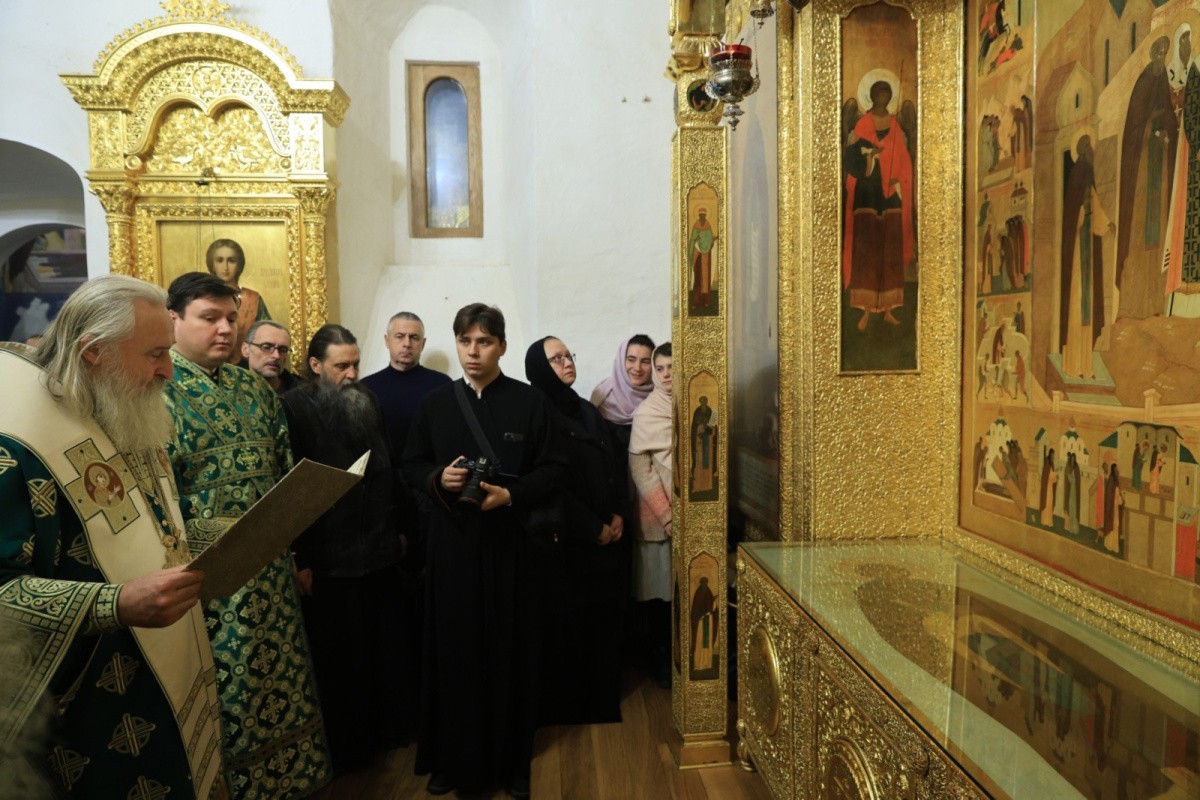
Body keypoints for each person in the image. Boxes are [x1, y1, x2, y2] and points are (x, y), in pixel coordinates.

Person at [0, 275, 224, 798]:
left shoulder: (125, 409)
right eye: (155, 354)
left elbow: (151, 530)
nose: (169, 371)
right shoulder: (15, 445)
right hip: (76, 719)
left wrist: (225, 533)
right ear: (94, 351)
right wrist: (114, 604)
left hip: (162, 685)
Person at [163, 272, 330, 799]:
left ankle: (290, 784)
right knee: (225, 689)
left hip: (271, 572)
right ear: (173, 319)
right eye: (209, 318)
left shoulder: (254, 388)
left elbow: (284, 474)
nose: (225, 329)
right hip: (206, 581)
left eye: (231, 318)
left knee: (280, 679)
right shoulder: (155, 392)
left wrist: (295, 550)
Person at [403, 303, 565, 799]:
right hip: (452, 547)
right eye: (465, 341)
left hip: (511, 546)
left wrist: (510, 495)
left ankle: (513, 762)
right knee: (454, 651)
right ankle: (451, 759)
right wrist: (439, 479)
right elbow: (410, 465)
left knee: (511, 650)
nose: (473, 352)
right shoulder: (434, 403)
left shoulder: (532, 402)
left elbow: (554, 469)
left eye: (484, 342)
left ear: (502, 347)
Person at [281, 324, 409, 773]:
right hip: (329, 560)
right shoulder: (292, 408)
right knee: (341, 661)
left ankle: (387, 734)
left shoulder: (366, 397)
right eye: (342, 366)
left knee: (382, 651)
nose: (352, 374)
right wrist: (300, 558)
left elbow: (386, 466)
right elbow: (292, 491)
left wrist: (397, 528)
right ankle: (350, 750)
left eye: (355, 363)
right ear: (315, 365)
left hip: (378, 551)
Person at [524, 336, 625, 725]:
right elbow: (551, 483)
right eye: (556, 358)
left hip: (605, 535)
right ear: (539, 367)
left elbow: (611, 466)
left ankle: (601, 702)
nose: (567, 362)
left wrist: (617, 513)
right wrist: (591, 527)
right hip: (568, 542)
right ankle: (571, 709)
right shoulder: (536, 412)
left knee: (602, 624)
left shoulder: (585, 408)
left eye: (569, 355)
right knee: (569, 626)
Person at [359, 311, 451, 741]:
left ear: (423, 342)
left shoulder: (441, 386)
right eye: (400, 336)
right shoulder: (367, 389)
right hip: (383, 502)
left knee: (432, 590)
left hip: (431, 496)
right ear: (386, 340)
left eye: (415, 337)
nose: (407, 344)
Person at [842, 79, 914, 331]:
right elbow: (851, 160)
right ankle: (865, 310)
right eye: (879, 94)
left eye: (886, 94)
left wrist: (897, 178)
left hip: (890, 195)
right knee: (868, 251)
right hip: (867, 195)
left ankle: (888, 309)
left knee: (889, 249)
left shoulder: (895, 126)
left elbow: (904, 160)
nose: (883, 99)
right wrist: (870, 157)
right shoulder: (862, 125)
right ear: (872, 97)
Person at [1116, 36, 1178, 320]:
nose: (1162, 58)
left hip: (1159, 168)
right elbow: (1133, 130)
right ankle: (1135, 305)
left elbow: (1170, 119)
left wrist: (1166, 133)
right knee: (1141, 236)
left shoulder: (1164, 80)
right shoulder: (1142, 83)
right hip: (1143, 171)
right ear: (1153, 54)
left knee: (1159, 234)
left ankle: (1155, 303)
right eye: (1159, 53)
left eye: (1165, 53)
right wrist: (1151, 131)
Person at [629, 342, 674, 687]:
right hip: (658, 522)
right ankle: (661, 660)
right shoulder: (647, 413)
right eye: (660, 368)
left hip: (699, 516)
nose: (666, 374)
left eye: (673, 366)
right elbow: (641, 470)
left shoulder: (700, 402)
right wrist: (668, 516)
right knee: (660, 595)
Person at [205, 239, 271, 364]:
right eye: (220, 260)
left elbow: (268, 335)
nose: (225, 267)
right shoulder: (203, 298)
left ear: (239, 264)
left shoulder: (253, 299)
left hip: (246, 366)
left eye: (231, 261)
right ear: (212, 264)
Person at [590, 334, 656, 450]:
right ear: (621, 360)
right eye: (631, 360)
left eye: (645, 361)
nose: (637, 368)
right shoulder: (602, 394)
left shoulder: (660, 397)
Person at [241, 319, 303, 393]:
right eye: (266, 347)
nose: (276, 356)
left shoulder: (304, 394)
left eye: (283, 350)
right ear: (245, 349)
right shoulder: (231, 389)